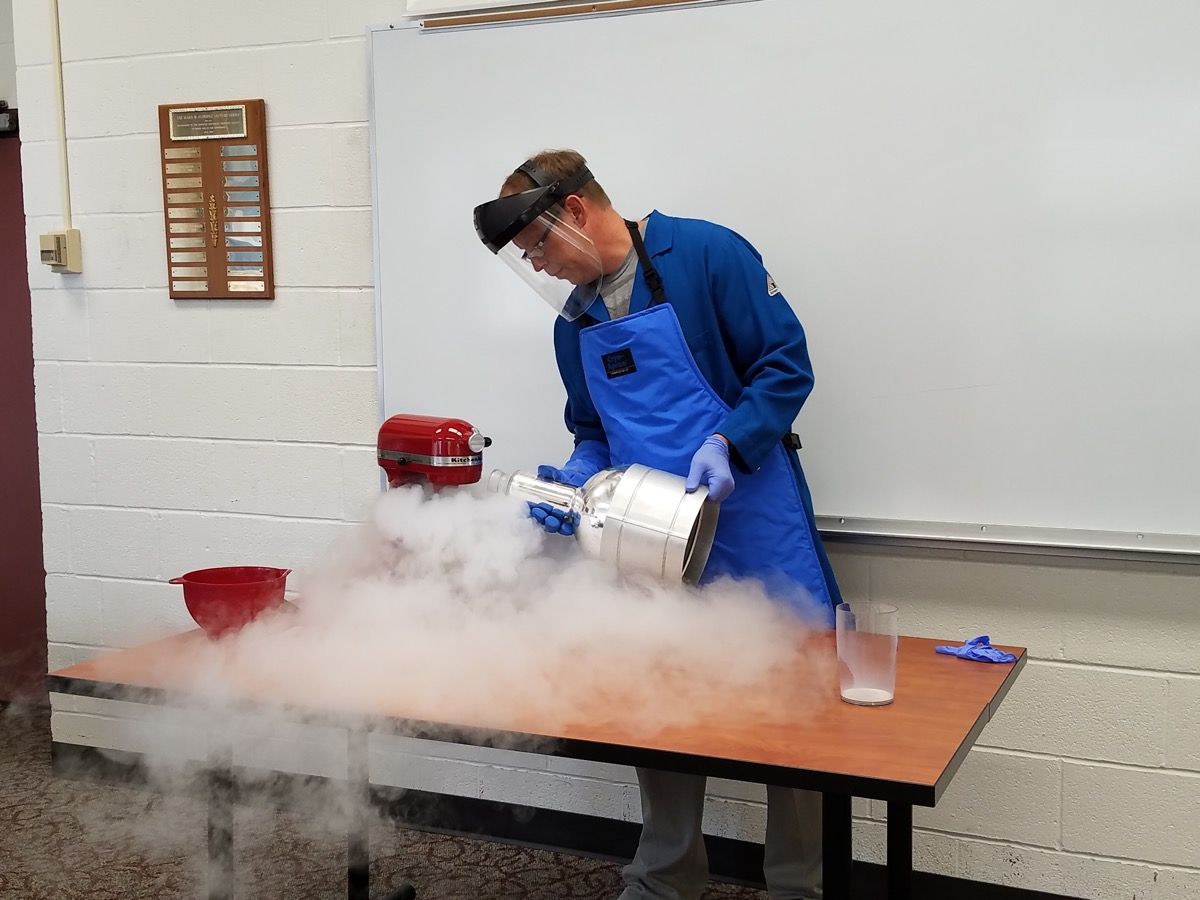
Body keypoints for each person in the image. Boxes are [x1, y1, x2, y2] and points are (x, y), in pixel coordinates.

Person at [473, 149, 842, 900]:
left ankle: (798, 887)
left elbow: (786, 363)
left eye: (539, 246)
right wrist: (576, 478)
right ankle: (666, 877)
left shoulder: (705, 253)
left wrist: (728, 441)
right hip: (647, 537)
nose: (539, 268)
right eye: (527, 258)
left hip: (752, 519)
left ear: (575, 212)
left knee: (795, 712)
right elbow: (592, 430)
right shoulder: (573, 324)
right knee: (662, 706)